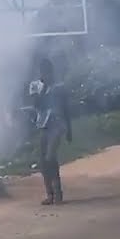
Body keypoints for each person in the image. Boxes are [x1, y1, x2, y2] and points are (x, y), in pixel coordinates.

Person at [30, 57, 73, 205]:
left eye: (48, 70)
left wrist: (70, 130)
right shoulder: (35, 86)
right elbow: (37, 105)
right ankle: (50, 194)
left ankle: (58, 193)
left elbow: (66, 109)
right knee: (43, 162)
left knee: (49, 157)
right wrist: (44, 88)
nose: (46, 73)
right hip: (43, 126)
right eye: (43, 71)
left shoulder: (60, 87)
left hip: (57, 125)